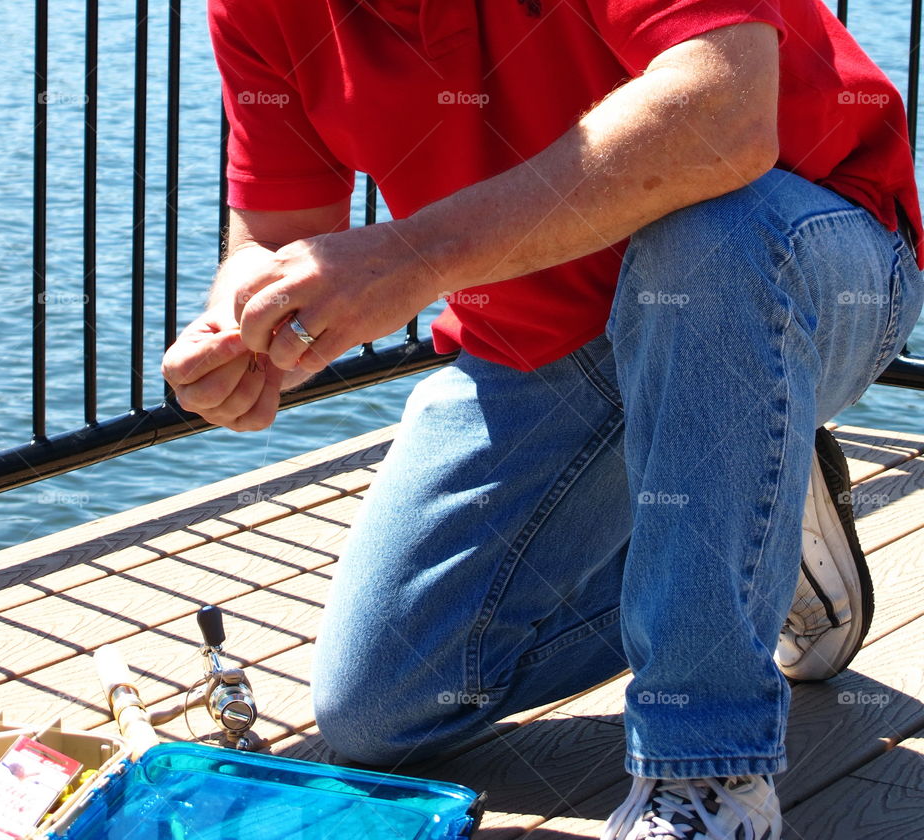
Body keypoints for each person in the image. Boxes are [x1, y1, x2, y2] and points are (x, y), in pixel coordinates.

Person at [161, 1, 924, 836]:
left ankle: (707, 776)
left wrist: (414, 257)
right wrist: (240, 319)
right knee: (381, 709)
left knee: (714, 235)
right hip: (540, 342)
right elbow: (277, 238)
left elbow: (724, 116)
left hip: (798, 263)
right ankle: (761, 506)